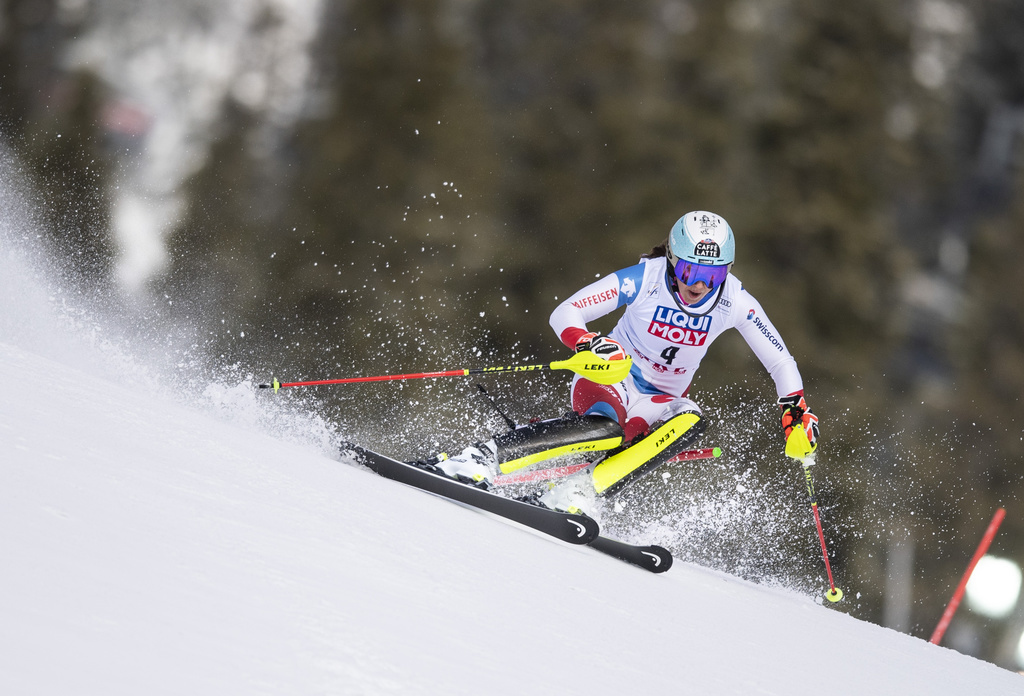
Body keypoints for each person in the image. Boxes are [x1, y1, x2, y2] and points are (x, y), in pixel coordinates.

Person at [432, 210, 819, 516]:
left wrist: (795, 411)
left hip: (658, 402)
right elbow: (565, 313)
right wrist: (588, 342)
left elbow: (780, 360)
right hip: (613, 378)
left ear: (727, 272)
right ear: (672, 260)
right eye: (690, 270)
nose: (698, 285)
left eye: (711, 274)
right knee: (606, 429)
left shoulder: (735, 300)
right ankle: (480, 458)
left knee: (692, 419)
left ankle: (579, 489)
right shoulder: (646, 279)